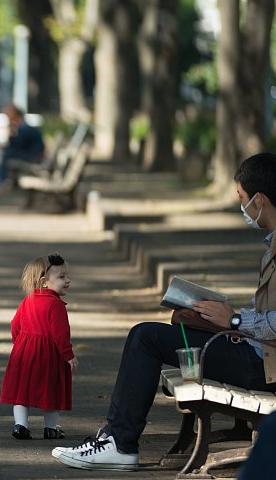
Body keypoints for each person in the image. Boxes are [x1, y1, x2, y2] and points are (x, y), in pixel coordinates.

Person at [55, 152, 276, 471]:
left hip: (264, 366)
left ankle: (120, 443)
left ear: (260, 199)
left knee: (146, 337)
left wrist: (235, 320)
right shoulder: (271, 241)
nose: (241, 207)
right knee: (157, 331)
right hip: (257, 353)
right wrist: (220, 314)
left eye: (242, 199)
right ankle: (116, 439)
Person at [0, 254, 78, 440]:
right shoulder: (56, 305)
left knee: (21, 391)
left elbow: (15, 325)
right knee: (51, 390)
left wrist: (19, 345)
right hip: (49, 355)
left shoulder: (27, 300)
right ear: (44, 282)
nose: (67, 280)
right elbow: (60, 334)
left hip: (24, 353)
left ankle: (21, 426)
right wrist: (68, 355)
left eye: (67, 276)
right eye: (61, 277)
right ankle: (50, 428)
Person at [0, 104, 45, 195]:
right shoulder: (23, 126)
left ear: (15, 116)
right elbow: (14, 146)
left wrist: (10, 132)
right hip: (33, 155)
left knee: (7, 154)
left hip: (34, 157)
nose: (8, 120)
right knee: (7, 153)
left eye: (9, 117)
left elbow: (15, 146)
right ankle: (1, 181)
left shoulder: (24, 128)